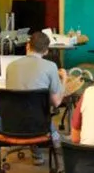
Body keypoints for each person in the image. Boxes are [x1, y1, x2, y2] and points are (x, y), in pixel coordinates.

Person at [5, 32, 67, 166]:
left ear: (28, 46)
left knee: (28, 107)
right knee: (40, 110)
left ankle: (38, 151)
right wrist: (64, 80)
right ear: (46, 51)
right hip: (39, 124)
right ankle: (58, 145)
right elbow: (56, 102)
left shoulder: (11, 66)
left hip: (11, 123)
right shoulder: (50, 67)